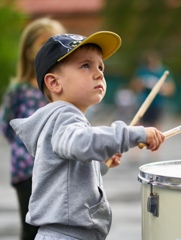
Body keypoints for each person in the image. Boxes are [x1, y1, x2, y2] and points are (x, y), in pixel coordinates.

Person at [9, 31, 165, 240]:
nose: (99, 73)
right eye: (86, 66)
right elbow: (80, 144)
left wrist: (101, 163)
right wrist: (134, 134)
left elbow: (70, 169)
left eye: (101, 67)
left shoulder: (66, 120)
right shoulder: (64, 116)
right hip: (66, 234)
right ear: (54, 83)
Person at [0, 18, 66, 240]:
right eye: (44, 43)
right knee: (31, 229)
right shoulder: (18, 90)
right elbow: (8, 126)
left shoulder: (63, 89)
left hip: (57, 169)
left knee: (57, 227)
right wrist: (27, 150)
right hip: (27, 171)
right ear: (29, 52)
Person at [131, 50, 176, 128]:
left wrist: (163, 88)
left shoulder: (163, 71)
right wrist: (143, 83)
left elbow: (171, 89)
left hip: (158, 103)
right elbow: (134, 86)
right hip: (144, 102)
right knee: (141, 126)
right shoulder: (142, 71)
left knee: (156, 126)